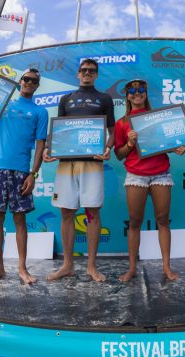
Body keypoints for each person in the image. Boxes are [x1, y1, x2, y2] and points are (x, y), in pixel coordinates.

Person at [43, 58, 115, 282]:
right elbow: (58, 131)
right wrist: (47, 147)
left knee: (92, 212)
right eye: (83, 70)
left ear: (96, 74)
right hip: (66, 162)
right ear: (78, 74)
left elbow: (111, 131)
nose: (87, 73)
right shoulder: (66, 99)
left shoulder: (104, 99)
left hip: (92, 162)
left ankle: (91, 266)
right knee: (66, 212)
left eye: (91, 71)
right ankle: (67, 265)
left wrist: (108, 147)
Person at [113, 79, 185, 282]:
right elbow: (119, 154)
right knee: (135, 222)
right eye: (132, 90)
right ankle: (132, 268)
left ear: (146, 92)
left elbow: (166, 142)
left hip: (161, 173)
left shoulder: (159, 117)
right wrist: (129, 144)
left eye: (141, 89)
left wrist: (176, 147)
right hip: (136, 174)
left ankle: (166, 267)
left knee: (163, 220)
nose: (137, 93)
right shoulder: (122, 123)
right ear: (127, 96)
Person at [0, 68, 48, 284]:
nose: (29, 82)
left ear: (37, 85)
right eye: (26, 79)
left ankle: (22, 268)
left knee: (20, 220)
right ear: (20, 82)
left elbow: (40, 146)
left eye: (33, 81)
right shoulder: (4, 102)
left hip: (21, 172)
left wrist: (33, 174)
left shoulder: (40, 112)